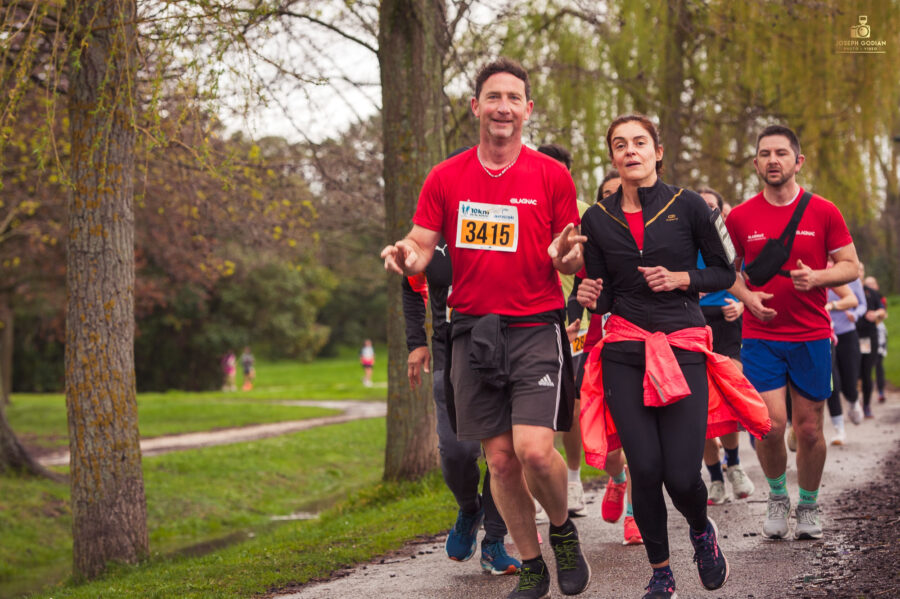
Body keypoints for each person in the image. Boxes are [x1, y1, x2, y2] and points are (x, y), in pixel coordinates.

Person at [381, 58, 591, 598]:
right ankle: (532, 565)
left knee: (535, 451)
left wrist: (567, 257)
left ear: (528, 109)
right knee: (499, 460)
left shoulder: (551, 175)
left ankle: (562, 531)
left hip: (535, 326)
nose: (503, 107)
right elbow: (420, 244)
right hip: (473, 330)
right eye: (493, 97)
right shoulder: (445, 176)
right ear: (476, 106)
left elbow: (569, 256)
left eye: (513, 98)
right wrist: (406, 255)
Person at [577, 114, 768, 599]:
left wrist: (683, 278)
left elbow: (725, 272)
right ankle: (661, 573)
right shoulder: (596, 219)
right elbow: (603, 294)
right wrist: (588, 295)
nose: (630, 151)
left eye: (640, 142)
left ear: (657, 152)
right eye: (620, 144)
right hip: (624, 351)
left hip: (682, 346)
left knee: (682, 475)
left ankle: (702, 531)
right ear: (612, 156)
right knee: (644, 469)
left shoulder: (690, 206)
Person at [725, 124, 860, 541]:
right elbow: (726, 272)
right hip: (761, 335)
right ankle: (778, 496)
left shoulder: (824, 211)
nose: (773, 161)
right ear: (756, 163)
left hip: (811, 334)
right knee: (768, 424)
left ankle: (809, 504)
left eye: (781, 153)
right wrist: (748, 298)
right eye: (765, 154)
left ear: (797, 161)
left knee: (809, 428)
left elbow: (852, 266)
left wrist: (817, 277)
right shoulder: (739, 217)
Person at [402, 148, 520, 576]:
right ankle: (469, 508)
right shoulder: (430, 236)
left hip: (508, 345)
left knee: (505, 454)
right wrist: (416, 343)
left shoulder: (507, 219)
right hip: (449, 350)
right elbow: (409, 285)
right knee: (457, 451)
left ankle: (495, 541)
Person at [569, 170, 643, 546]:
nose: (618, 201)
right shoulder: (593, 246)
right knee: (609, 446)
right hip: (600, 349)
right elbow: (576, 291)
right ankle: (617, 477)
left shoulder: (651, 241)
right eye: (609, 196)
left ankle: (635, 515)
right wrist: (573, 319)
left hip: (643, 348)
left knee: (639, 439)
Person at [536, 142, 590, 522]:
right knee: (538, 409)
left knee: (570, 409)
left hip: (575, 324)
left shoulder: (584, 212)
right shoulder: (523, 206)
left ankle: (573, 479)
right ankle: (544, 490)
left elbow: (592, 270)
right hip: (534, 322)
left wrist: (580, 316)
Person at [696, 187, 755, 505]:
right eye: (701, 205)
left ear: (720, 211)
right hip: (693, 323)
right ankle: (716, 479)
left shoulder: (730, 242)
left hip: (727, 322)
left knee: (729, 396)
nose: (706, 210)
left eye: (711, 206)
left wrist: (742, 305)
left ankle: (733, 464)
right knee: (702, 408)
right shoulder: (681, 240)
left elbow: (748, 281)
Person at [824, 280, 864, 444]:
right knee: (832, 382)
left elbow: (861, 304)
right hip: (826, 335)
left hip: (847, 333)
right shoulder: (817, 274)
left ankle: (853, 401)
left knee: (849, 382)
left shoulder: (852, 280)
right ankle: (839, 429)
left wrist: (854, 314)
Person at [857, 264, 887, 418]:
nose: (858, 272)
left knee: (866, 372)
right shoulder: (844, 291)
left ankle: (866, 405)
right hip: (850, 337)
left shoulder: (871, 292)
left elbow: (882, 310)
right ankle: (854, 401)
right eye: (856, 269)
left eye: (861, 269)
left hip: (868, 337)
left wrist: (875, 314)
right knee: (852, 373)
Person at [864, 275, 889, 404]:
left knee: (879, 362)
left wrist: (876, 315)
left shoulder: (880, 298)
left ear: (877, 286)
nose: (870, 286)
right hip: (864, 336)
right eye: (868, 283)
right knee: (865, 365)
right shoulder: (861, 295)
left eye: (872, 283)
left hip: (878, 334)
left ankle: (881, 391)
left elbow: (884, 314)